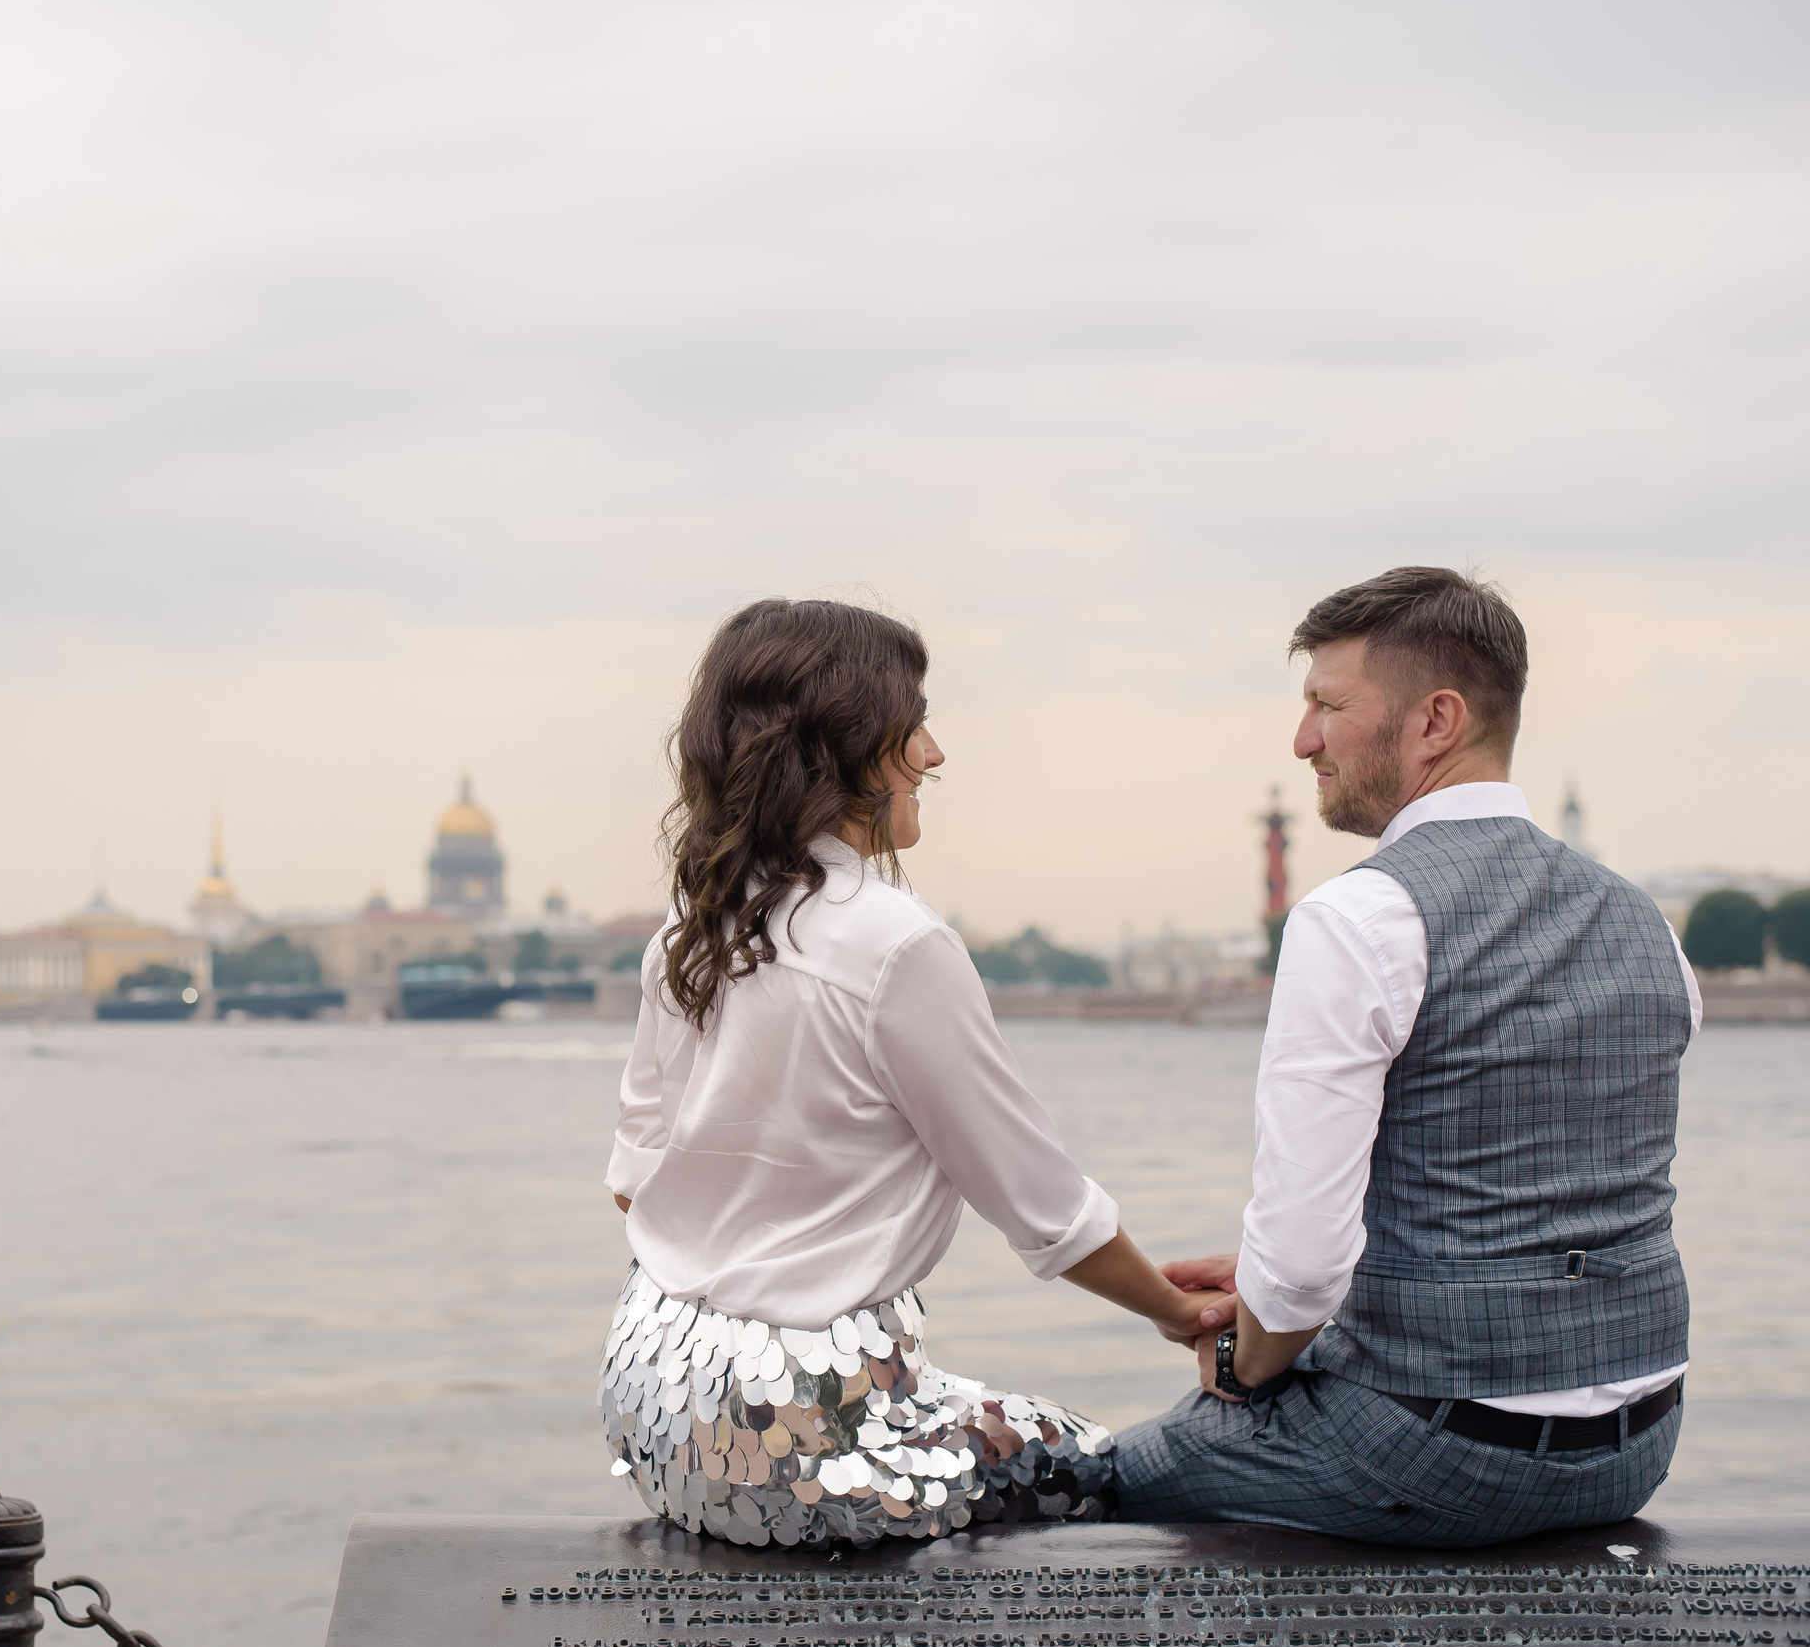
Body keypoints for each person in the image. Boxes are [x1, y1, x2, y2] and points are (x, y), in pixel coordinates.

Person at [600, 597, 1223, 1547]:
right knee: (1099, 1464)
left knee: (965, 1411)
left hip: (652, 1402)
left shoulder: (687, 936)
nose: (933, 752)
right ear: (846, 747)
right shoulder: (894, 940)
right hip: (795, 1445)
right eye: (913, 724)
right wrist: (1183, 1312)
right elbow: (1041, 1204)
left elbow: (633, 1187)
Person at [1117, 567, 1701, 1547]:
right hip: (1635, 1447)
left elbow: (1299, 1270)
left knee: (1094, 1473)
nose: (1302, 738)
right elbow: (1524, 1191)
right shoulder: (1646, 925)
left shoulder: (1358, 915)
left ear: (1434, 721)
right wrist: (1283, 1281)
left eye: (1325, 704)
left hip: (1433, 1454)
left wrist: (1242, 1352)